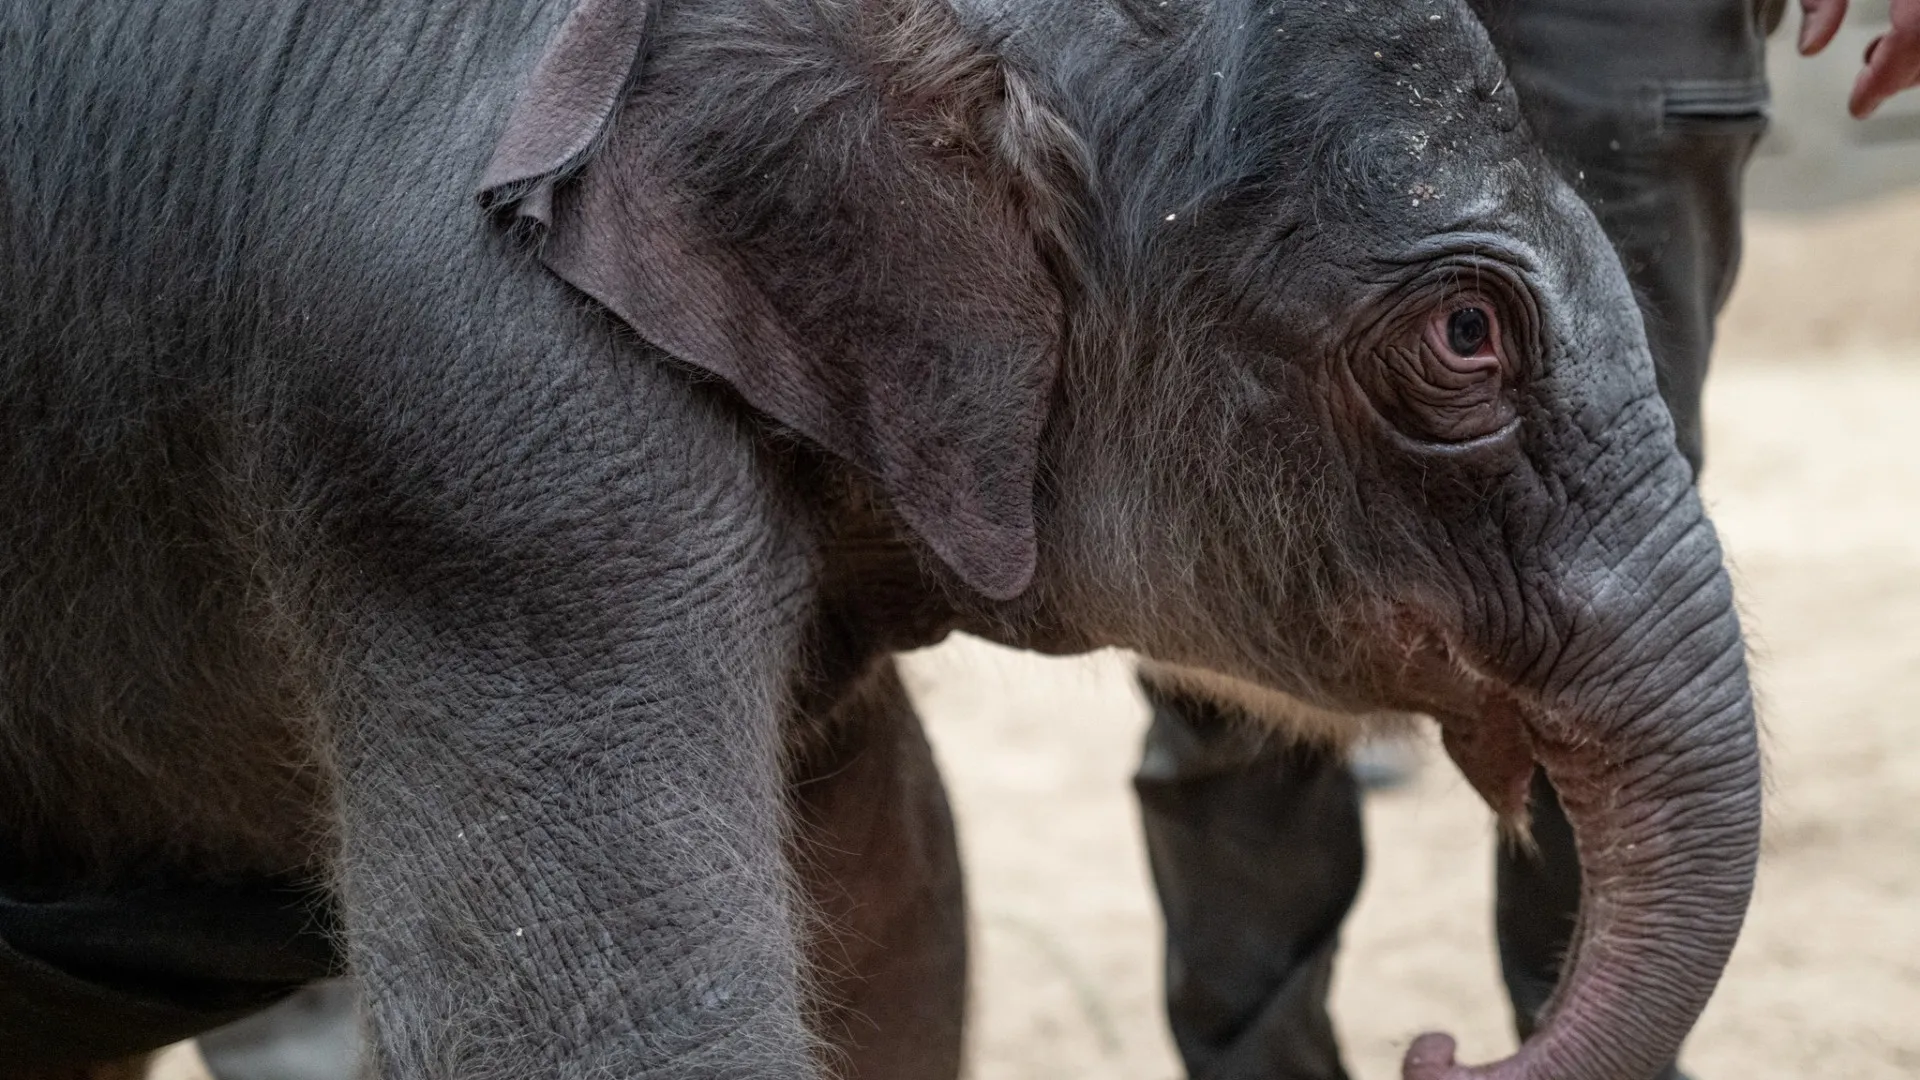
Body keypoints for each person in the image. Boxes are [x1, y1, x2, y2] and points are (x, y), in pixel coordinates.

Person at [182, 2, 1920, 1078]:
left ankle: (1604, 1037)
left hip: (1599, 38)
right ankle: (1260, 1063)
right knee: (1264, 486)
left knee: (1567, 551)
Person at [1133, 1, 1920, 1078]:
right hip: (1226, 26)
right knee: (1218, 603)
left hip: (1614, 26)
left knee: (1610, 607)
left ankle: (1599, 1056)